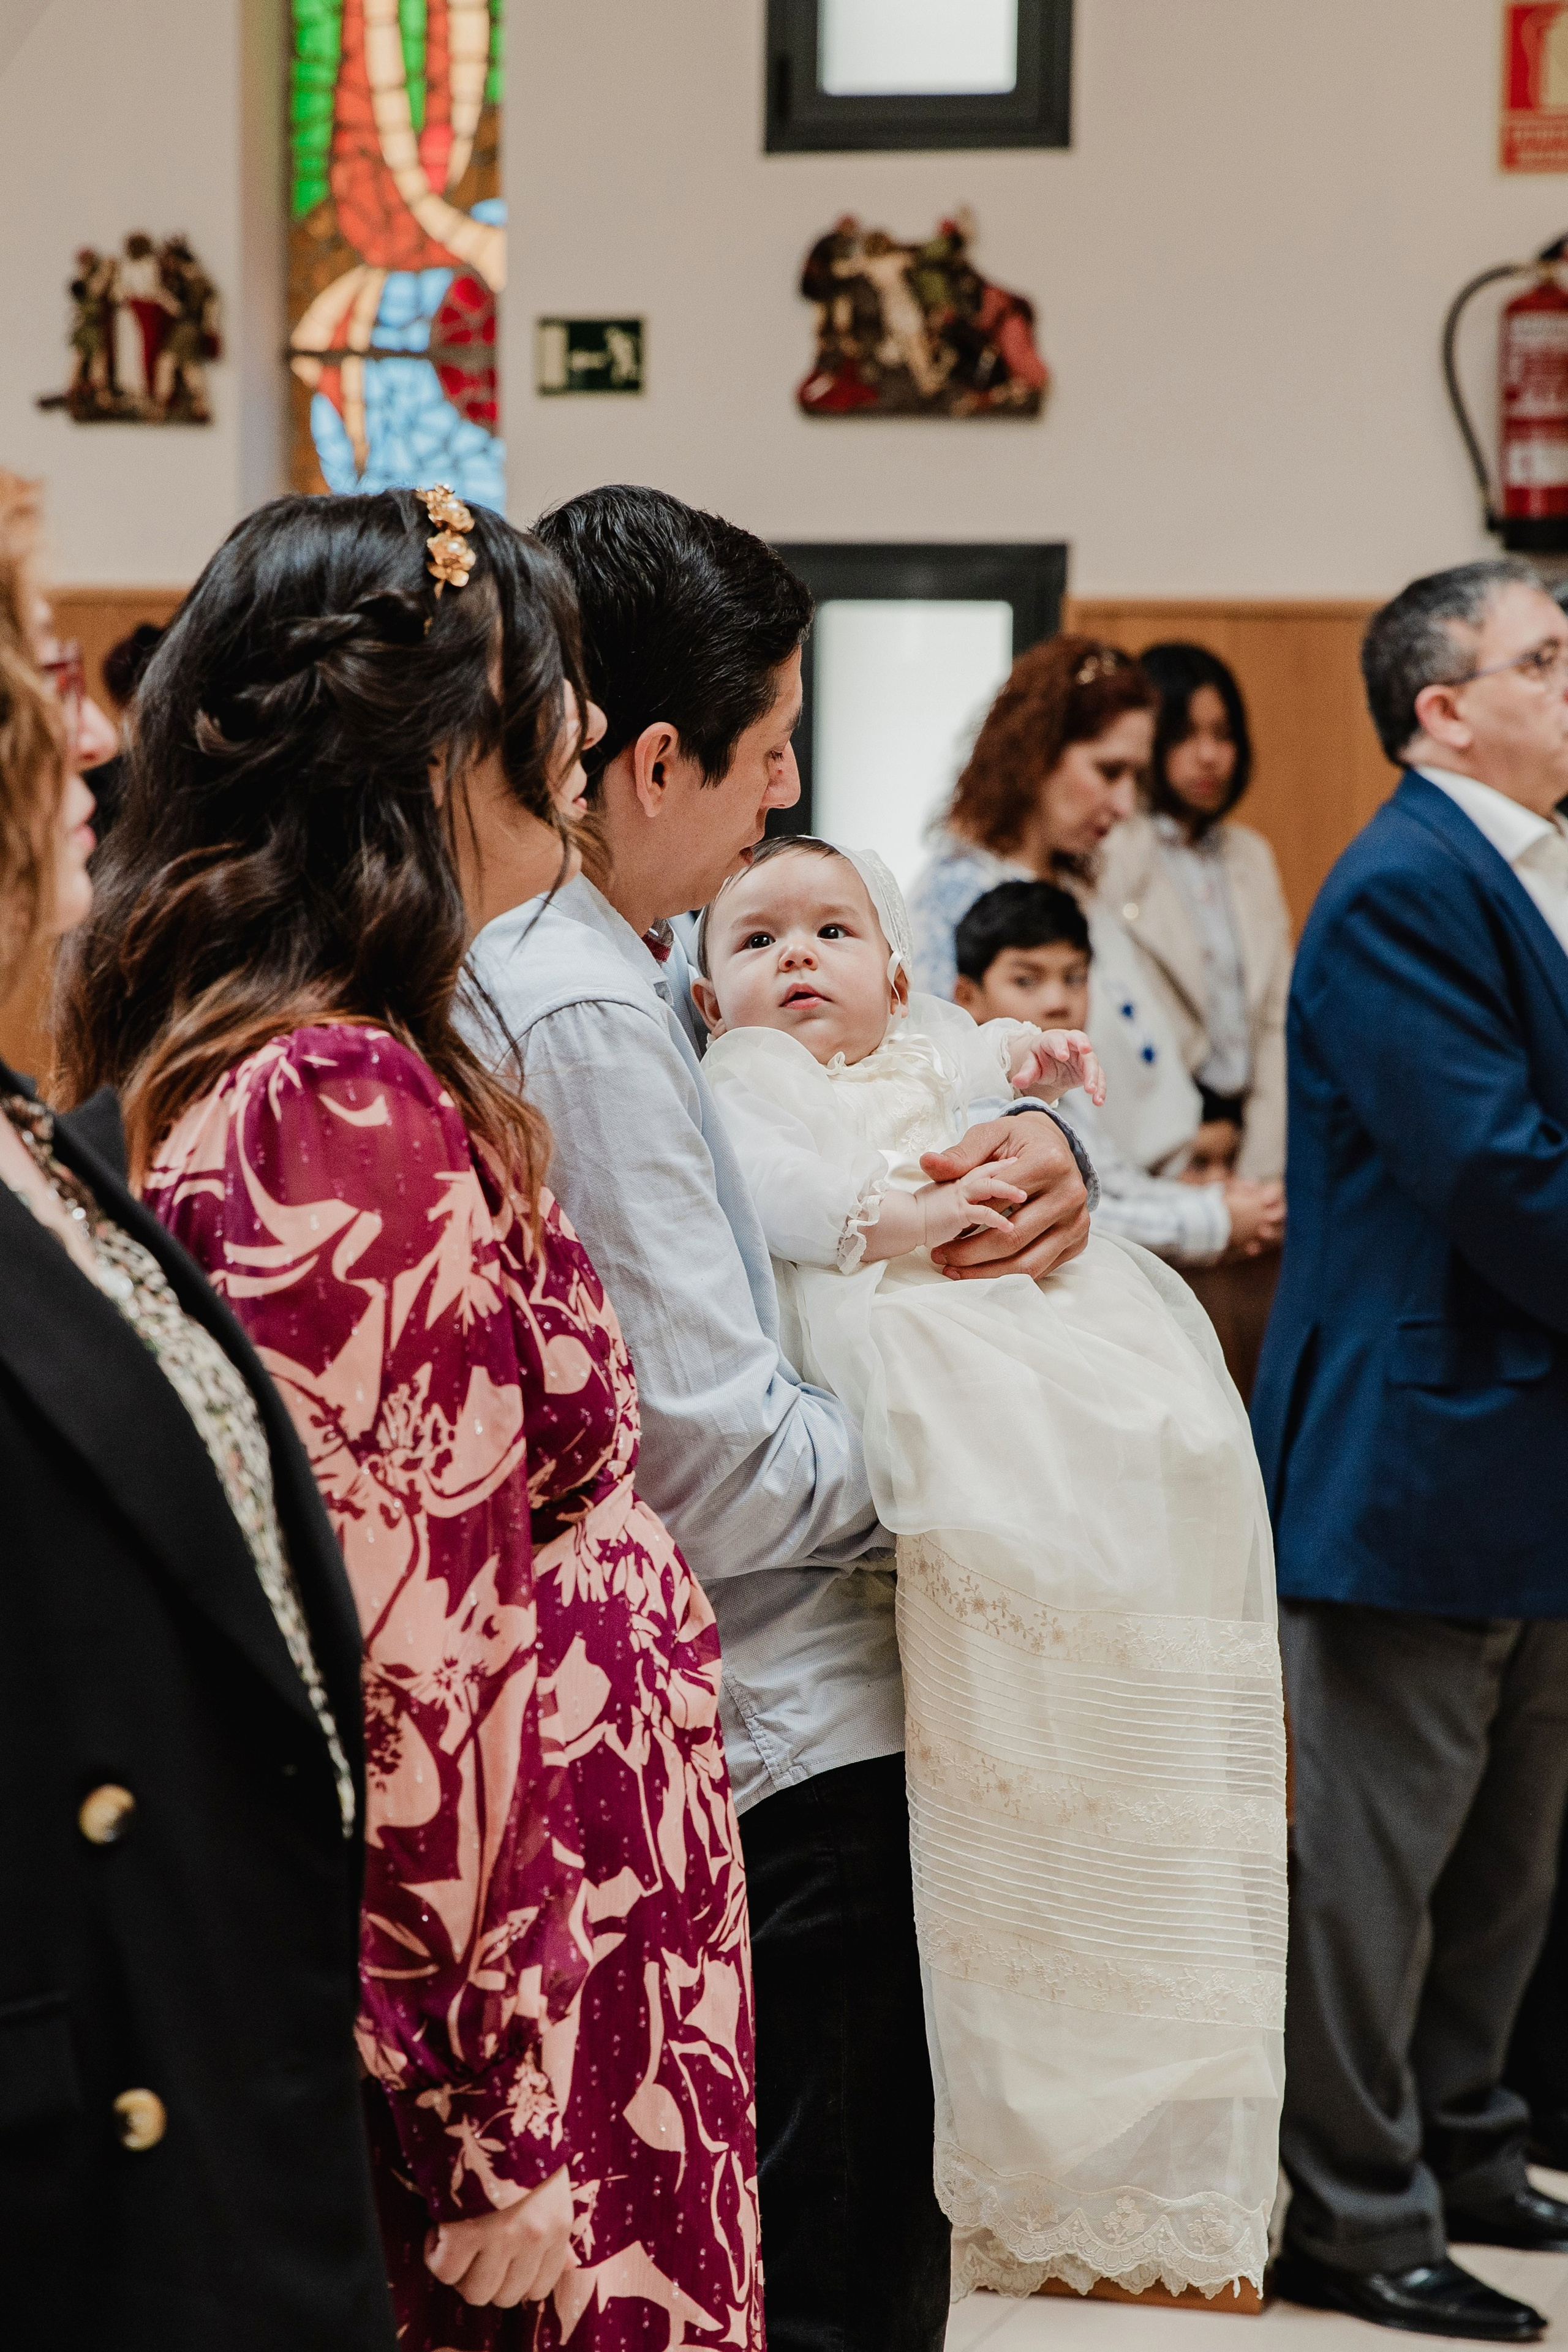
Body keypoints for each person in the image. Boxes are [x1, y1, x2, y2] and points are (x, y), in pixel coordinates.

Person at [58, 488, 763, 2346]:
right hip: (513, 1964)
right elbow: (403, 1658)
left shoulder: (338, 1049)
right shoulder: (336, 1109)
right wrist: (487, 2114)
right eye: (550, 686)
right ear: (433, 745)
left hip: (566, 1898)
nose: (585, 729)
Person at [464, 482, 1095, 2351]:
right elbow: (711, 1458)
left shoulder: (643, 967)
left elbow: (897, 1100)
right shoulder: (583, 1002)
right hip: (784, 1720)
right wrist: (983, 1452)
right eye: (768, 752)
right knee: (839, 2265)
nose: (786, 792)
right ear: (655, 760)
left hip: (773, 1701)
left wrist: (1030, 1143)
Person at [690, 835, 1286, 2302]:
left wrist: (1036, 1067)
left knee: (1158, 1429)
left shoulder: (924, 1044)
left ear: (898, 974)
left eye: (831, 932)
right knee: (986, 1480)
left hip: (986, 1302)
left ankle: (1101, 1655)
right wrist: (893, 1218)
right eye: (754, 942)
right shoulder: (738, 1079)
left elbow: (982, 1058)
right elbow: (775, 1188)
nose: (796, 959)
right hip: (889, 1309)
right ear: (704, 1000)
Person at [0, 475, 393, 2348]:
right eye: (41, 668)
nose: (91, 734)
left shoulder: (35, 1135)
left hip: (209, 2095)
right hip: (77, 2159)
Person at [1253, 559, 1568, 2344]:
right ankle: (1351, 2210)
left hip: (1525, 1439)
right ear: (1440, 709)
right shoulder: (1400, 884)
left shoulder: (1523, 864)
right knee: (1368, 1870)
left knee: (1503, 1857)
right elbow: (1494, 1171)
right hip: (1416, 1439)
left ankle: (1463, 2142)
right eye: (1542, 658)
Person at [909, 635, 1204, 1176]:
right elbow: (947, 1100)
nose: (1125, 804)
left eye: (1136, 778)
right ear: (1035, 756)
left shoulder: (1075, 881)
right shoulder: (959, 894)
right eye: (1109, 771)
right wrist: (1203, 1213)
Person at [954, 880, 1285, 1265]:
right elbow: (1081, 1218)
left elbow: (1115, 1183)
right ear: (968, 996)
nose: (1058, 1002)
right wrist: (1217, 1220)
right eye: (1026, 981)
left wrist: (1219, 1200)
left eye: (1074, 978)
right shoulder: (979, 1096)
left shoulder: (1063, 1081)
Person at [1098, 643, 1292, 1182]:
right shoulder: (1111, 850)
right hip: (1153, 1145)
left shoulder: (1251, 854)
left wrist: (1260, 1172)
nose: (1208, 756)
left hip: (1249, 1139)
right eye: (1184, 735)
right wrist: (1178, 1155)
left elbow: (1277, 1020)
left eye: (1223, 735)